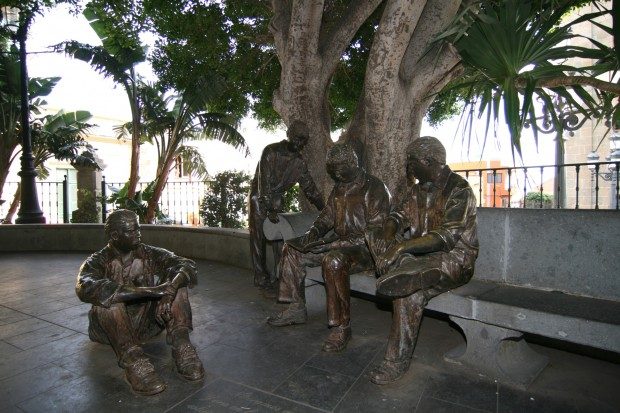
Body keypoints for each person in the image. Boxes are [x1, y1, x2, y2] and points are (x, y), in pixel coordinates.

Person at [367, 136, 478, 384]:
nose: (409, 167)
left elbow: (446, 237)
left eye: (411, 161)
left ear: (428, 161)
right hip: (420, 257)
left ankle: (395, 362)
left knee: (409, 293)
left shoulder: (459, 190)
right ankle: (409, 268)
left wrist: (399, 248)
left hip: (454, 260)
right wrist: (387, 234)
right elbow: (397, 215)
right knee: (372, 232)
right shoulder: (416, 191)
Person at [267, 140, 391, 352]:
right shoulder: (339, 188)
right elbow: (326, 217)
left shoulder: (375, 188)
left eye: (341, 170)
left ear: (354, 163)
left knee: (332, 261)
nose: (338, 176)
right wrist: (312, 234)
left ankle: (342, 326)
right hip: (340, 245)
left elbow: (374, 235)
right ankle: (295, 307)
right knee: (292, 249)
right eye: (334, 173)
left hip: (366, 250)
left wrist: (329, 244)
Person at [76, 209, 204, 395]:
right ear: (114, 235)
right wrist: (149, 291)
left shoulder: (150, 253)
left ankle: (182, 346)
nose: (138, 233)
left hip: (149, 324)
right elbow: (85, 286)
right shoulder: (97, 261)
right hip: (110, 331)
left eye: (138, 228)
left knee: (178, 287)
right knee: (107, 299)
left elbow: (186, 265)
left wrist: (169, 291)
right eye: (131, 231)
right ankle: (134, 361)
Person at [249, 120, 325, 290]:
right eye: (298, 138)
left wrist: (325, 209)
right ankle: (260, 276)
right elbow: (264, 181)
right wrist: (268, 208)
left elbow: (310, 188)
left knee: (277, 239)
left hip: (276, 201)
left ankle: (279, 274)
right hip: (260, 197)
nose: (300, 143)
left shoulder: (299, 162)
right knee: (258, 239)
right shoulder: (271, 151)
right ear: (289, 135)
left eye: (303, 141)